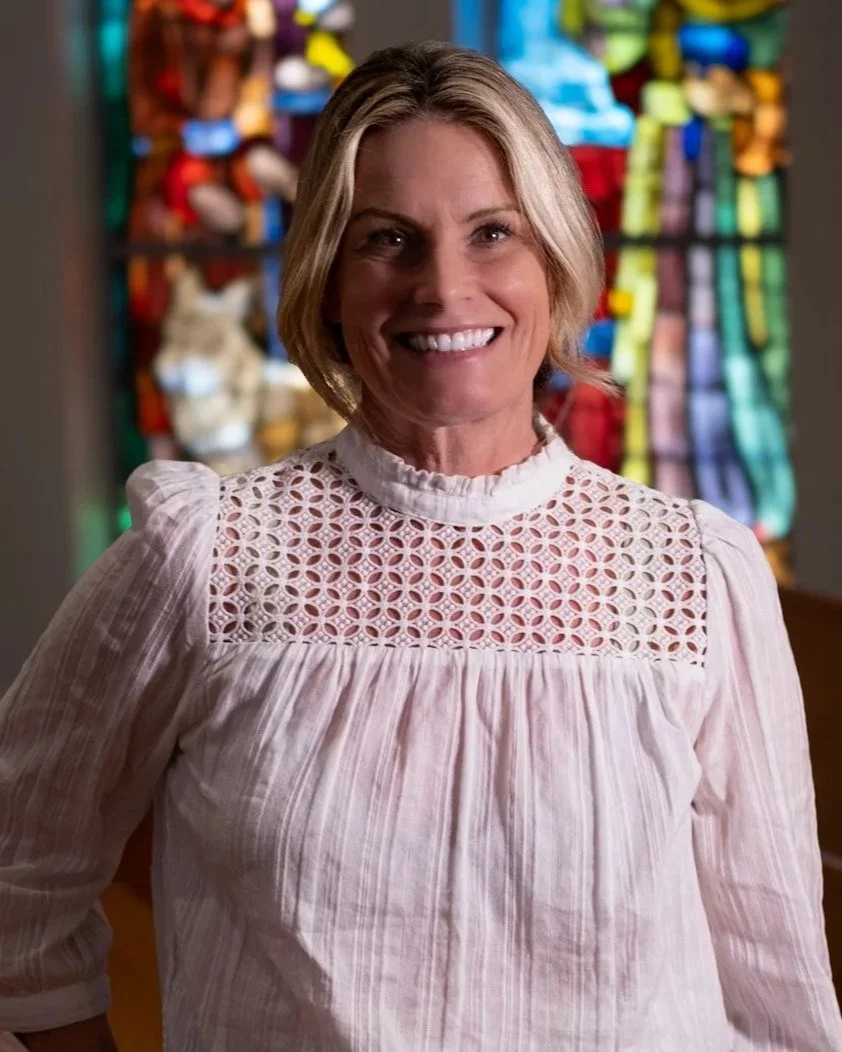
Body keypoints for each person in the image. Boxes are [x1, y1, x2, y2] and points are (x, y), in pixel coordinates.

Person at [1, 40, 840, 1052]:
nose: (443, 288)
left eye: (492, 232)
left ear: (557, 258)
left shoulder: (691, 575)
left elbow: (777, 990)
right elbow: (18, 879)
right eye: (386, 239)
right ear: (326, 279)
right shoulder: (205, 558)